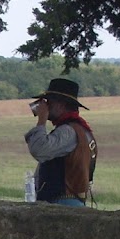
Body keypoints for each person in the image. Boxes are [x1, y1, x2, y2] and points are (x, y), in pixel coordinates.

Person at [25, 78, 97, 206]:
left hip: (63, 203)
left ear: (60, 104)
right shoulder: (79, 129)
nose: (45, 106)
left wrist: (41, 120)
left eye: (49, 102)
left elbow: (39, 150)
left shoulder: (68, 131)